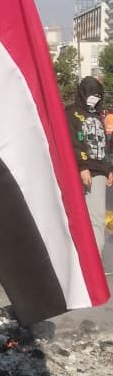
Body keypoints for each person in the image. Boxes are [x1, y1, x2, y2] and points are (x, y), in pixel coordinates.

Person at [66, 76, 112, 255]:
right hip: (77, 170)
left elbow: (103, 144)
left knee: (96, 218)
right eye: (92, 95)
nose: (95, 99)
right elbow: (72, 140)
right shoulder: (71, 113)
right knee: (74, 216)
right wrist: (82, 165)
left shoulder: (97, 116)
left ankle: (94, 258)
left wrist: (108, 168)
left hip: (98, 171)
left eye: (98, 96)